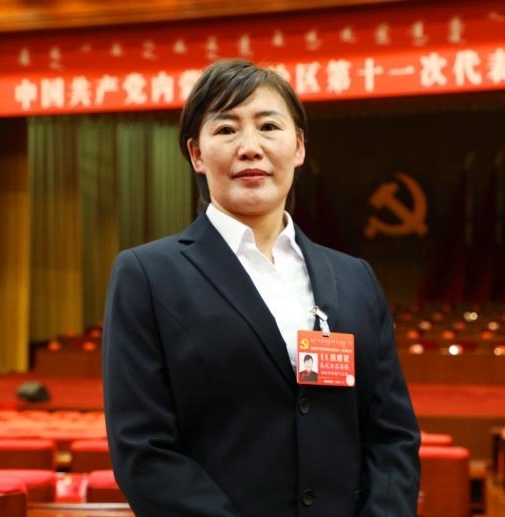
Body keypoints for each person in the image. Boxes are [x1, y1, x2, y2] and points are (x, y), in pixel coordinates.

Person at [103, 59, 420, 517]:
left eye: (269, 126)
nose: (250, 148)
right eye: (226, 129)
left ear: (299, 147)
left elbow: (392, 436)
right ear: (196, 154)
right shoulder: (147, 276)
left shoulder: (355, 278)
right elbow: (143, 450)